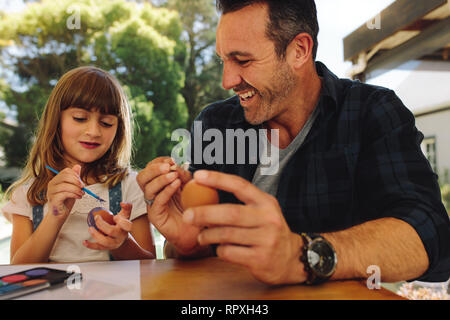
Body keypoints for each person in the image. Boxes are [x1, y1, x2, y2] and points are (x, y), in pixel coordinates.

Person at [137, 0, 450, 285]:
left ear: (299, 50)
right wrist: (188, 244)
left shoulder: (371, 112)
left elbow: (429, 232)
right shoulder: (214, 124)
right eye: (224, 61)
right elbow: (190, 258)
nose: (227, 81)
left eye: (242, 60)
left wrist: (304, 255)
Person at [2, 66, 155, 264]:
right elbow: (18, 270)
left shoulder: (130, 186)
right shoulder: (27, 195)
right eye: (80, 118)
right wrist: (54, 216)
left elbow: (150, 266)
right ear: (56, 120)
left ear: (119, 129)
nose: (93, 131)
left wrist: (122, 244)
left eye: (107, 123)